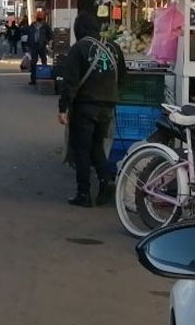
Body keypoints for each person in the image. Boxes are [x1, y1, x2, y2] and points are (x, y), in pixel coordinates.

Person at [58, 12, 127, 207]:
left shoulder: (79, 48)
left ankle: (83, 193)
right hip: (107, 106)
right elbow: (122, 77)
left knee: (82, 149)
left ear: (78, 29)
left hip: (85, 106)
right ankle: (105, 181)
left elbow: (69, 82)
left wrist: (63, 108)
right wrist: (111, 96)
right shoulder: (114, 48)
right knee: (97, 145)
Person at [29, 11, 53, 85]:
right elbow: (30, 34)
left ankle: (44, 77)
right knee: (33, 63)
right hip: (34, 46)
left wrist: (46, 41)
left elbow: (51, 35)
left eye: (40, 17)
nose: (39, 19)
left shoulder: (45, 25)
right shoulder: (33, 25)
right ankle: (33, 79)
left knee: (44, 62)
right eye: (38, 17)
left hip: (42, 46)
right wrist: (29, 44)